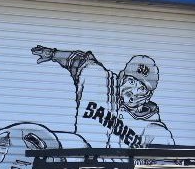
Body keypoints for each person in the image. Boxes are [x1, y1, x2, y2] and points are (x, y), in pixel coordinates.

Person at [31, 45, 175, 148]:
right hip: (82, 166)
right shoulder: (100, 81)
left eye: (141, 88)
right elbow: (81, 61)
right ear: (121, 78)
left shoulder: (155, 131)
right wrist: (53, 54)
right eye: (131, 81)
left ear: (148, 95)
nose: (133, 90)